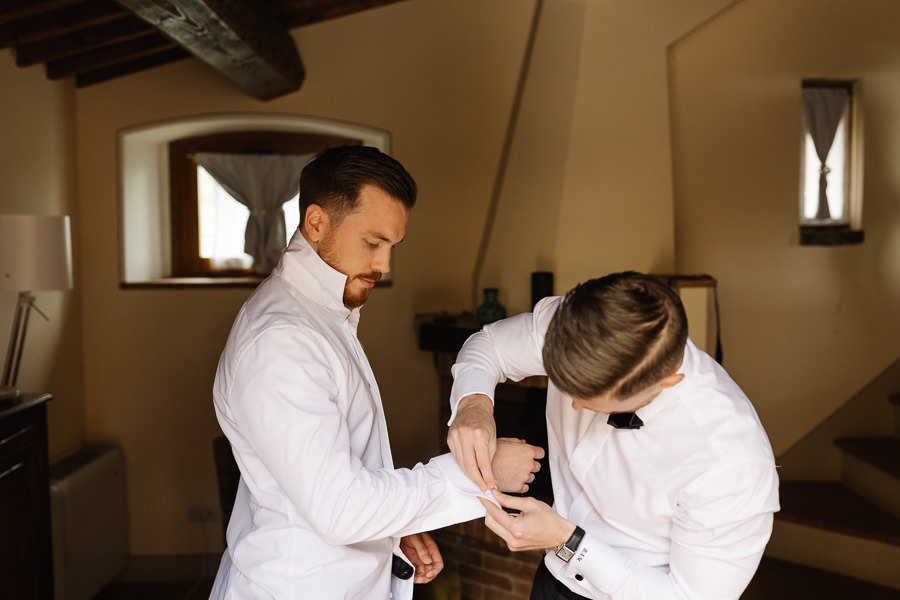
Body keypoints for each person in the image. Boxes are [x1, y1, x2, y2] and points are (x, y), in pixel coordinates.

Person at [210, 145, 544, 599]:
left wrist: (393, 527)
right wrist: (477, 477)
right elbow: (340, 509)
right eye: (373, 243)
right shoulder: (282, 341)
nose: (385, 266)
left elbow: (326, 479)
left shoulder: (321, 315)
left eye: (392, 246)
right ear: (316, 223)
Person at [447, 271, 780, 599]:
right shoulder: (577, 322)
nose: (572, 404)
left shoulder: (731, 462)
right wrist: (473, 404)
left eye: (590, 400)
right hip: (552, 580)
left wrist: (568, 541)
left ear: (666, 381)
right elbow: (489, 345)